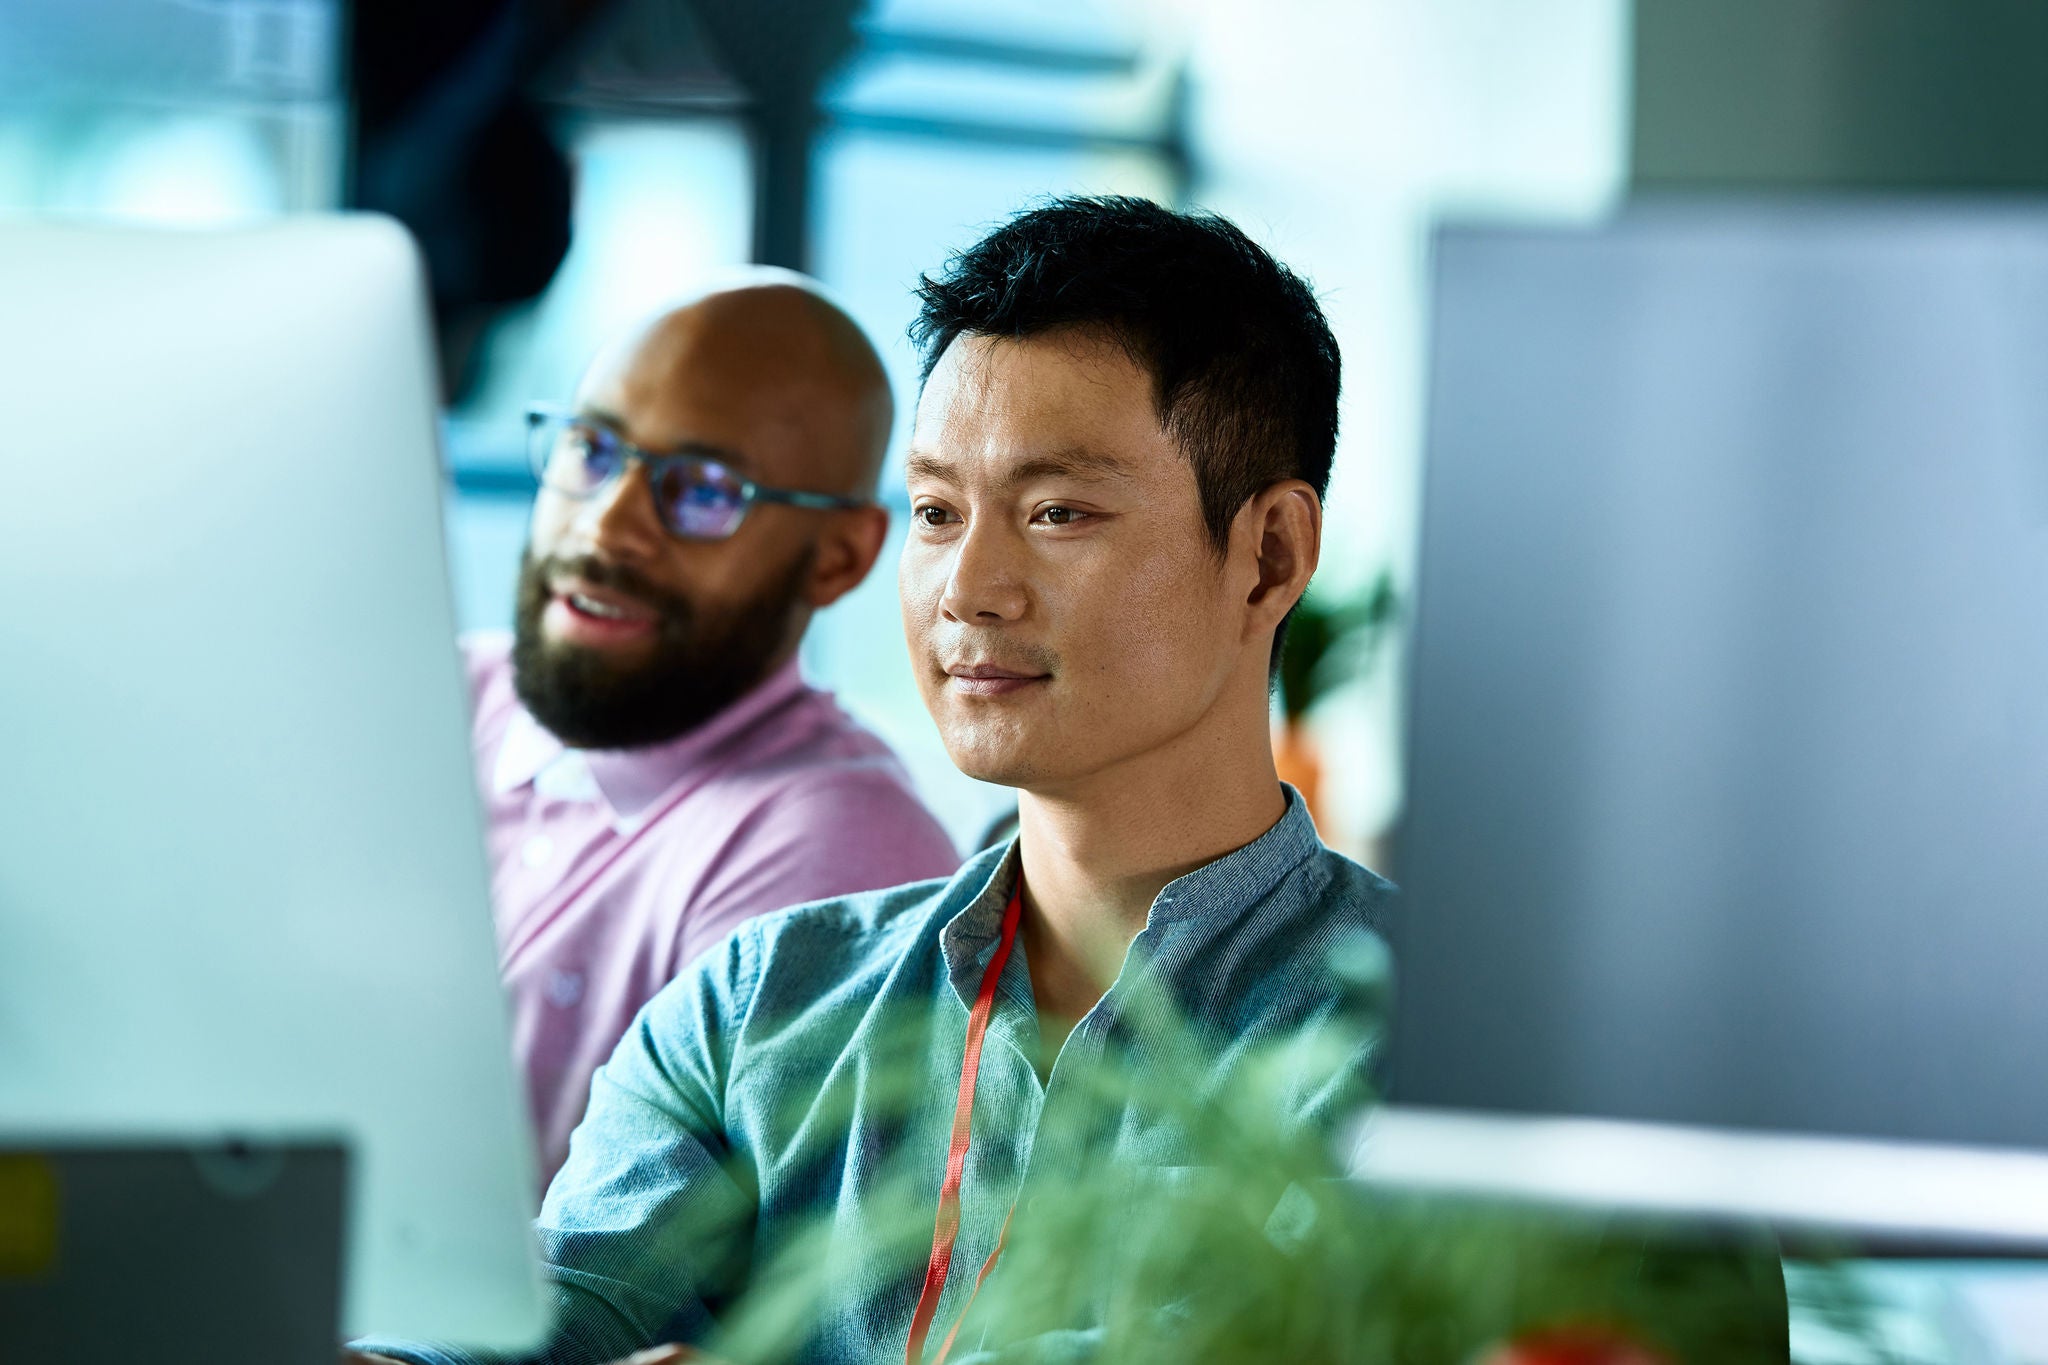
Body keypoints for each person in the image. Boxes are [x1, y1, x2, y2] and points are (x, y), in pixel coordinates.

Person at [352, 196, 1394, 1364]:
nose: (967, 586)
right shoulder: (755, 1001)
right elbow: (537, 1321)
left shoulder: (1416, 1048)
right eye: (940, 511)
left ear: (1267, 557)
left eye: (1056, 513)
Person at [470, 275, 960, 1185]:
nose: (608, 522)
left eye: (702, 490)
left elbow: (645, 1289)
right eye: (592, 448)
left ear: (841, 556)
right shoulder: (442, 693)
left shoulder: (832, 847)